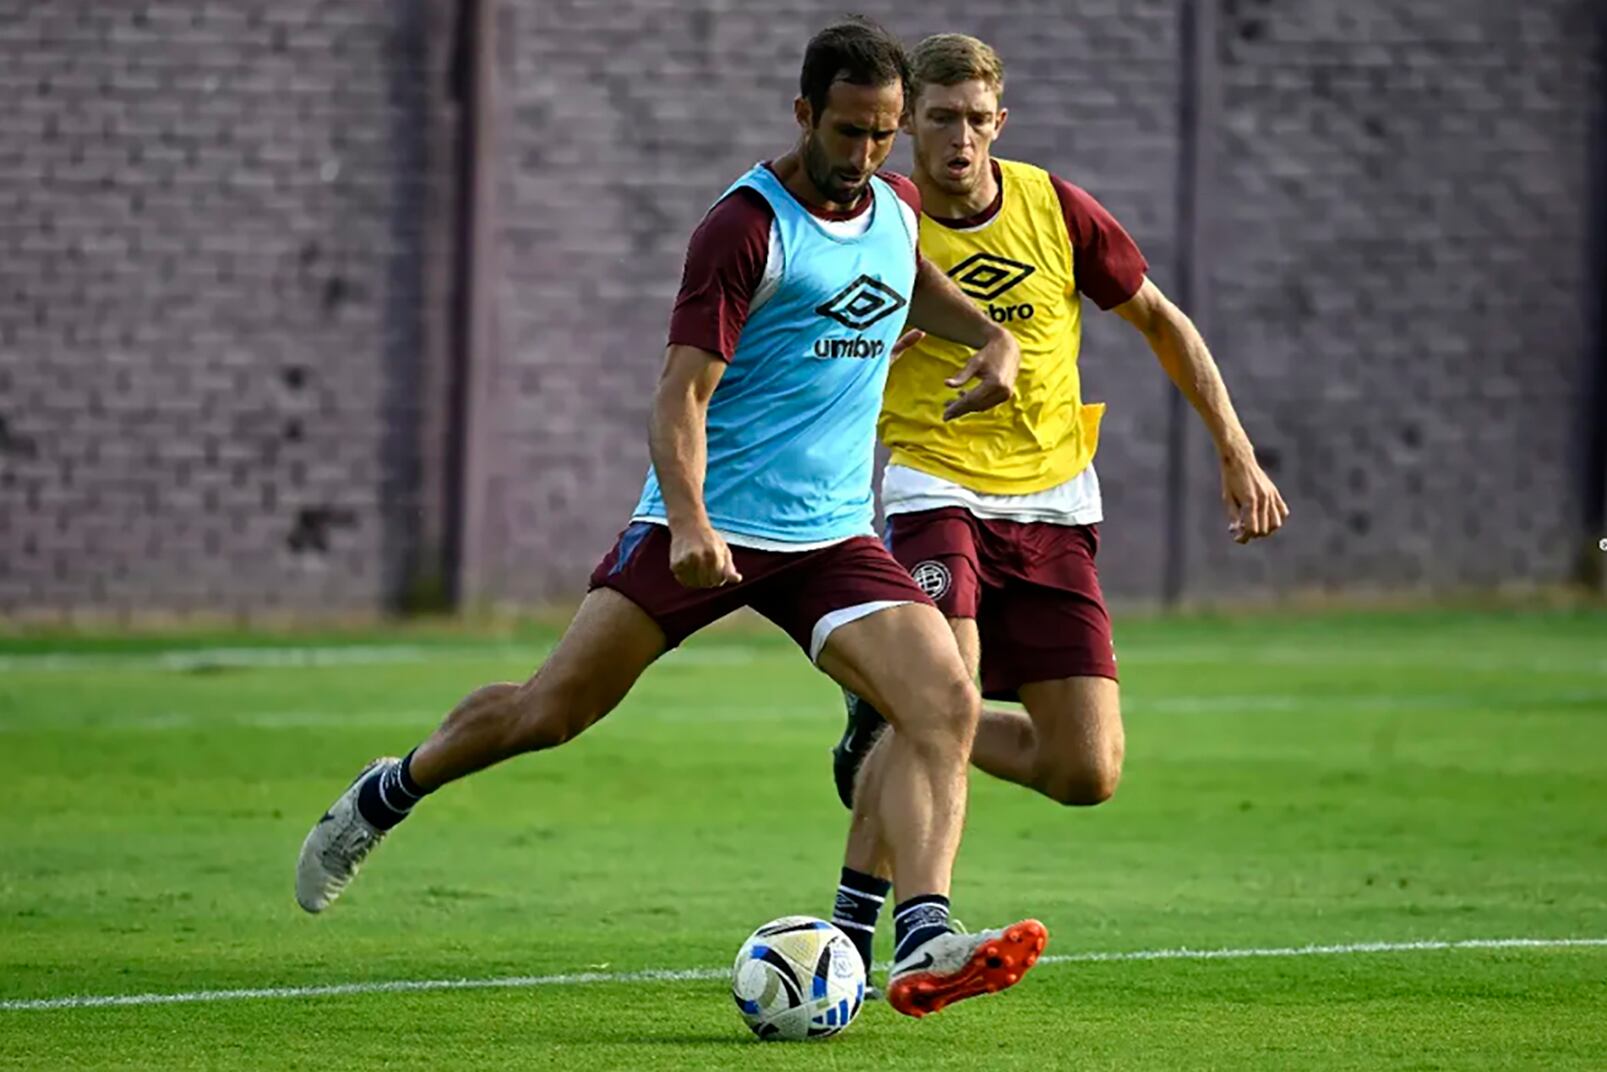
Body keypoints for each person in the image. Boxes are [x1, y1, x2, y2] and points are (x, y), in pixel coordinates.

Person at [295, 18, 1047, 1020]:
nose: (863, 155)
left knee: (945, 702)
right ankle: (387, 791)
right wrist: (689, 521)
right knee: (548, 711)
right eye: (846, 132)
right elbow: (679, 395)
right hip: (710, 528)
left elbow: (904, 277)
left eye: (881, 134)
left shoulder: (896, 205)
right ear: (801, 114)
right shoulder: (742, 227)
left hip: (830, 540)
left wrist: (990, 335)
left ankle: (924, 935)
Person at [826, 33, 1289, 977]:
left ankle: (884, 720)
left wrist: (1236, 450)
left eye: (976, 119)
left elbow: (1162, 321)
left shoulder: (1052, 206)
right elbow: (805, 344)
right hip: (932, 486)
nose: (959, 138)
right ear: (908, 120)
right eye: (940, 117)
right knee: (942, 694)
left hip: (1054, 504)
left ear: (1002, 120)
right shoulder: (880, 223)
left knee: (1085, 772)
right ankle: (887, 928)